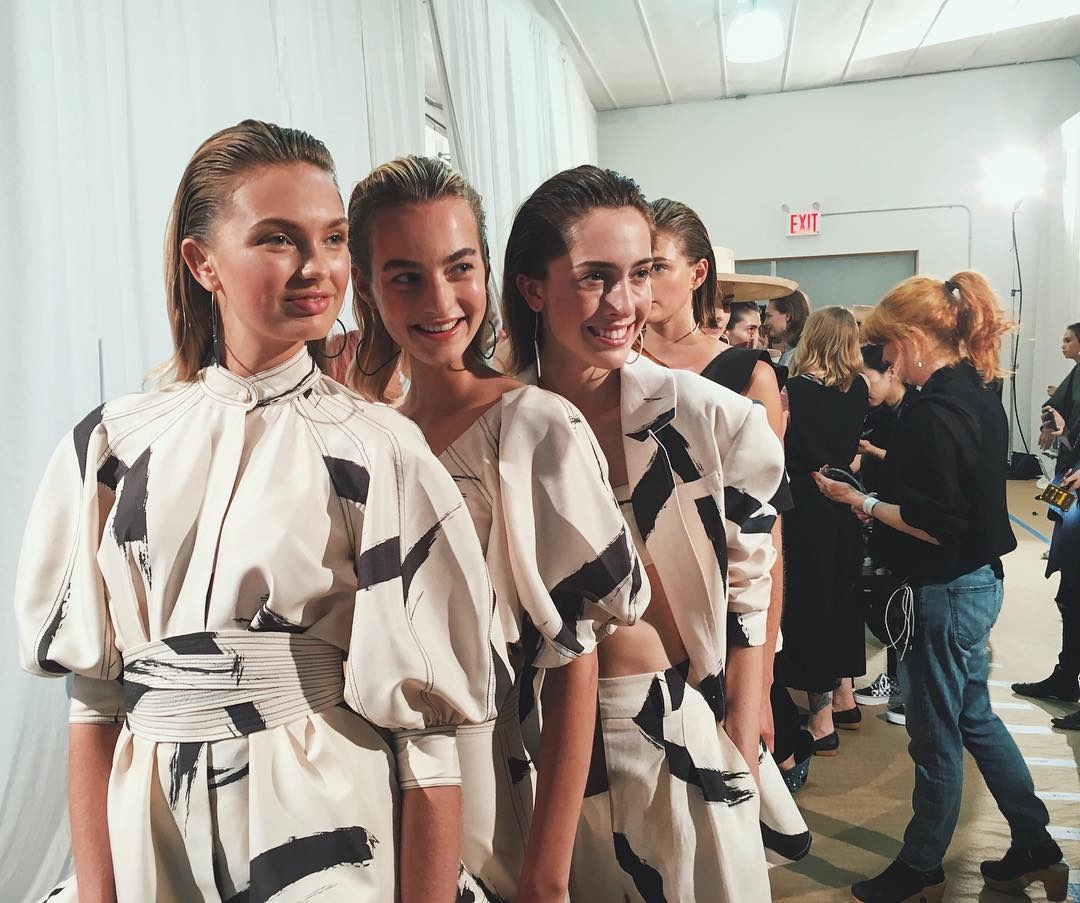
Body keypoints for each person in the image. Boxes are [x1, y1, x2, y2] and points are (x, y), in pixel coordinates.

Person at [13, 121, 501, 903]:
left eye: (333, 238)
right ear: (201, 262)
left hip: (322, 832)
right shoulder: (113, 445)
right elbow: (93, 702)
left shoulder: (380, 451)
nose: (317, 266)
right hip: (150, 829)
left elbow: (429, 741)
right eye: (279, 238)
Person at [345, 154, 647, 901]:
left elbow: (576, 657)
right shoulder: (368, 437)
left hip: (493, 784)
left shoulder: (535, 427)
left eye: (460, 267)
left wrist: (548, 870)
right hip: (370, 783)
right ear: (366, 287)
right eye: (406, 276)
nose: (441, 299)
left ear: (486, 270)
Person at [503, 165, 783, 900]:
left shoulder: (712, 417)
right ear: (533, 288)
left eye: (640, 273)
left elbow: (750, 590)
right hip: (533, 744)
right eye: (594, 277)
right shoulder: (496, 430)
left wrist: (742, 734)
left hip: (675, 726)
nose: (625, 303)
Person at [815, 273, 1066, 903]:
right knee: (973, 717)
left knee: (935, 736)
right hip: (974, 584)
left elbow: (934, 523)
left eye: (885, 347)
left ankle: (922, 861)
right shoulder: (975, 393)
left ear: (910, 339)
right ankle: (1034, 840)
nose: (884, 360)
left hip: (946, 590)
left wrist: (861, 501)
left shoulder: (936, 411)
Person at [644, 197, 810, 855]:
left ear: (697, 273)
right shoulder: (601, 365)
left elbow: (766, 534)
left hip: (716, 625)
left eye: (656, 265)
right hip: (628, 628)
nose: (640, 282)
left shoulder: (745, 374)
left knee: (716, 827)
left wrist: (760, 679)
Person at [774, 307, 869, 754]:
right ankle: (846, 698)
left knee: (810, 608)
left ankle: (821, 719)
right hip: (843, 500)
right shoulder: (859, 388)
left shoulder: (792, 390)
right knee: (841, 600)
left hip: (805, 506)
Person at [1012, 321, 1080, 711]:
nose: (1063, 345)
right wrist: (1059, 432)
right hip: (1071, 489)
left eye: (1069, 339)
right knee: (1070, 594)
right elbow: (1069, 432)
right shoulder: (1075, 378)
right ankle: (1066, 676)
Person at [853, 344, 917, 726]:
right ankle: (896, 680)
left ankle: (909, 690)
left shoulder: (916, 414)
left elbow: (913, 468)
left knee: (906, 608)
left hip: (909, 525)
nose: (863, 387)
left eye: (867, 378)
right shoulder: (877, 413)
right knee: (891, 604)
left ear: (891, 371)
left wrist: (873, 452)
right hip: (884, 517)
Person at [765, 289, 811, 368]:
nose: (765, 323)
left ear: (787, 316)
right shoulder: (792, 352)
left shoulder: (799, 357)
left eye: (769, 316)